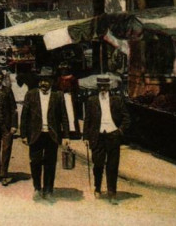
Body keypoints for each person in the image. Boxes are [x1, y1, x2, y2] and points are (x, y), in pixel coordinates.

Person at [20, 67, 70, 201]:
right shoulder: (30, 95)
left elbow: (64, 117)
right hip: (35, 134)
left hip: (51, 135)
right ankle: (37, 188)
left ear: (52, 82)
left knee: (50, 163)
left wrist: (66, 136)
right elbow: (24, 116)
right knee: (35, 162)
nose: (43, 83)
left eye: (46, 81)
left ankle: (48, 189)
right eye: (41, 80)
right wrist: (23, 134)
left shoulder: (58, 96)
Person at [83, 74, 131, 205]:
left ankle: (112, 193)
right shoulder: (91, 100)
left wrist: (119, 131)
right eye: (100, 86)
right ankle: (97, 187)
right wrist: (86, 137)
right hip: (97, 136)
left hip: (112, 136)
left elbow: (126, 118)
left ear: (109, 87)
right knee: (98, 164)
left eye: (105, 86)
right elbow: (87, 120)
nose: (103, 88)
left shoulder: (117, 100)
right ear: (97, 87)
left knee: (112, 166)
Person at [56, 62, 82, 140]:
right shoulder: (59, 79)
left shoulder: (72, 79)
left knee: (71, 114)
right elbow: (57, 88)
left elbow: (76, 89)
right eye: (62, 70)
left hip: (70, 98)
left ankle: (73, 132)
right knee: (63, 114)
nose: (63, 71)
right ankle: (64, 131)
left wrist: (74, 95)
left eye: (65, 70)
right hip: (61, 97)